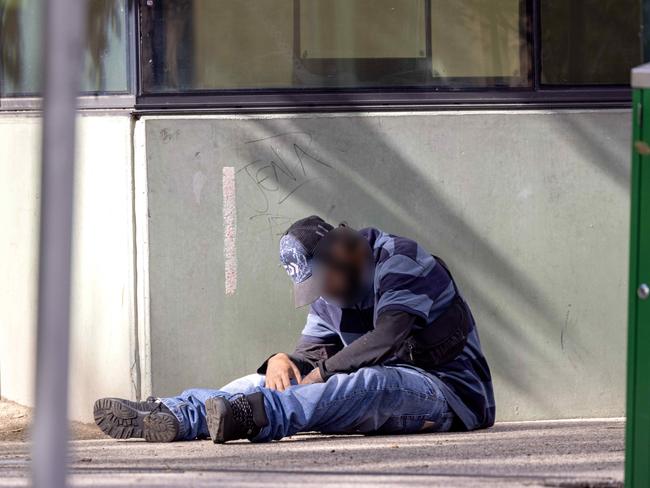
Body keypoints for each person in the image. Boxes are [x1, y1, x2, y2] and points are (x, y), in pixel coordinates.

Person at [94, 216, 495, 443]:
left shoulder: (401, 260)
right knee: (271, 379)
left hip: (448, 395)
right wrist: (281, 360)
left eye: (325, 282)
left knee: (372, 381)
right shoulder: (329, 296)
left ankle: (256, 416)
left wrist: (319, 373)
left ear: (342, 252)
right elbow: (312, 355)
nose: (324, 295)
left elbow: (387, 337)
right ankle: (177, 413)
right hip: (378, 384)